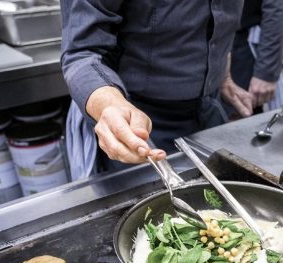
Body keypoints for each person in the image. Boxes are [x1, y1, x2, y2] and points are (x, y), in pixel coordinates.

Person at [60, 0, 253, 173]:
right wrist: (110, 104)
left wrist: (222, 76)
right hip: (140, 124)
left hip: (211, 113)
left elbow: (221, 22)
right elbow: (82, 52)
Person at [229, 0, 283, 114]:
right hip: (206, 55)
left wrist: (266, 72)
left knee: (238, 118)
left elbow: (276, 6)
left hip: (241, 47)